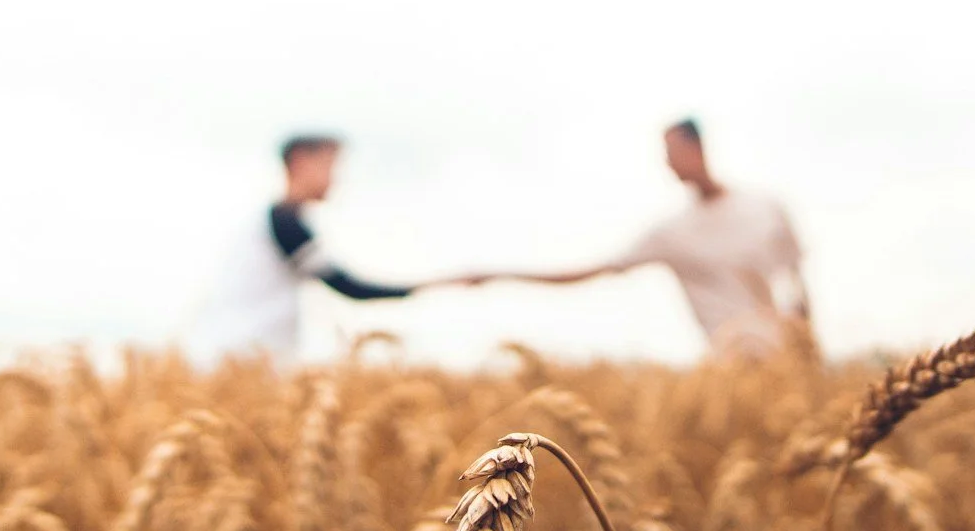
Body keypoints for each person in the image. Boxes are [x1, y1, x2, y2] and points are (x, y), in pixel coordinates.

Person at [487, 119, 811, 356]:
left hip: (783, 362)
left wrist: (808, 343)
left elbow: (796, 281)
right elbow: (595, 269)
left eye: (671, 151)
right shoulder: (671, 233)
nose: (667, 162)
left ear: (696, 147)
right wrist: (500, 274)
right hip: (730, 366)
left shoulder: (766, 208)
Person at [189, 134, 473, 361]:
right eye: (330, 166)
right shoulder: (285, 223)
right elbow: (349, 287)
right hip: (246, 358)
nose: (336, 178)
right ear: (299, 162)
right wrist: (439, 284)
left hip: (242, 355)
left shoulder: (276, 221)